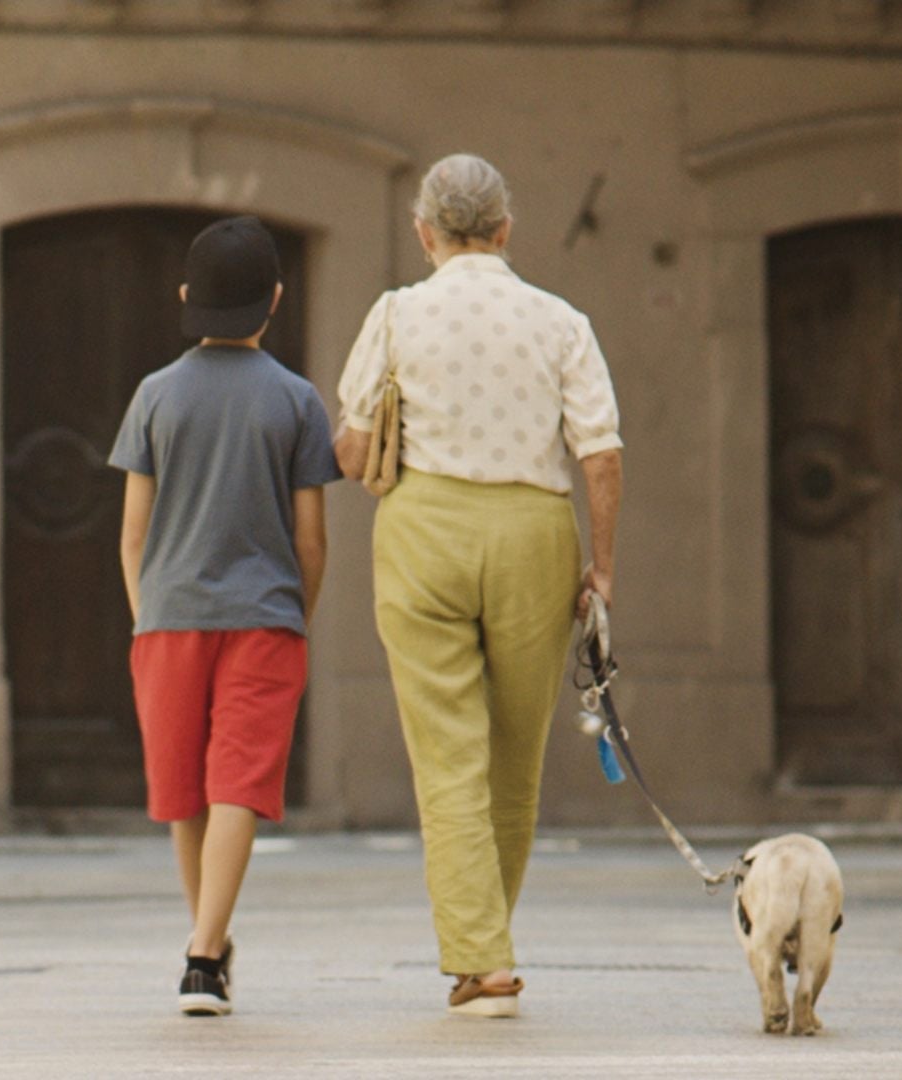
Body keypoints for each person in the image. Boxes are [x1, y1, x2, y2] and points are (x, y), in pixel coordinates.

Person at [334, 154, 625, 1018]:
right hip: (535, 531)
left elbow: (350, 453)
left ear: (426, 233)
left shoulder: (394, 314)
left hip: (424, 529)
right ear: (504, 231)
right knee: (514, 754)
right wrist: (601, 568)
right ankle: (485, 951)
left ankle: (481, 962)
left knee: (447, 753)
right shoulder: (560, 321)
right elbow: (600, 456)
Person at [109, 215, 340, 1017]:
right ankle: (208, 949)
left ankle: (205, 949)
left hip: (168, 620)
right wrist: (295, 617)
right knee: (238, 783)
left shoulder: (153, 396)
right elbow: (312, 539)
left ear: (185, 298)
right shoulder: (299, 401)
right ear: (275, 299)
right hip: (266, 620)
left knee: (184, 792)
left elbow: (132, 534)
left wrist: (148, 616)